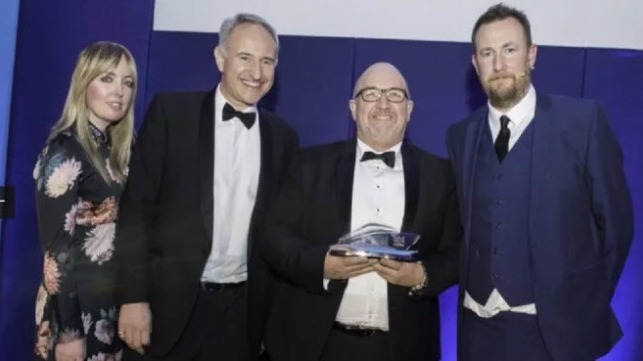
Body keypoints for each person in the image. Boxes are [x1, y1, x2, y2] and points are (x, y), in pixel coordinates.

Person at [446, 4, 634, 361]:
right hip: (477, 333)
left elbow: (617, 228)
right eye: (488, 53)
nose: (499, 64)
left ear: (531, 55)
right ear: (476, 64)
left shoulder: (583, 123)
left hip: (554, 338)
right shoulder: (460, 136)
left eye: (510, 50)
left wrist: (582, 308)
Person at [114, 13, 298, 361]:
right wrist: (132, 298)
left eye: (267, 61)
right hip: (167, 309)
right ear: (220, 58)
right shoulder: (172, 114)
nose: (256, 73)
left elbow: (280, 232)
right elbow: (136, 210)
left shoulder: (284, 139)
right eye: (244, 57)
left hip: (241, 316)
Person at [261, 62, 461, 361]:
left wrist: (421, 275)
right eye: (370, 94)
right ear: (353, 108)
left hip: (403, 349)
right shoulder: (307, 166)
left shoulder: (441, 175)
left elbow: (457, 254)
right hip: (315, 345)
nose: (383, 104)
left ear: (409, 109)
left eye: (394, 95)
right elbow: (273, 236)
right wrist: (321, 265)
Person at [33, 41, 138, 361]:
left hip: (110, 306)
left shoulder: (115, 151)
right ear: (84, 83)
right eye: (107, 78)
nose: (119, 91)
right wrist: (69, 333)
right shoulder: (65, 150)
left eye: (128, 82)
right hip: (75, 310)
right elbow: (57, 252)